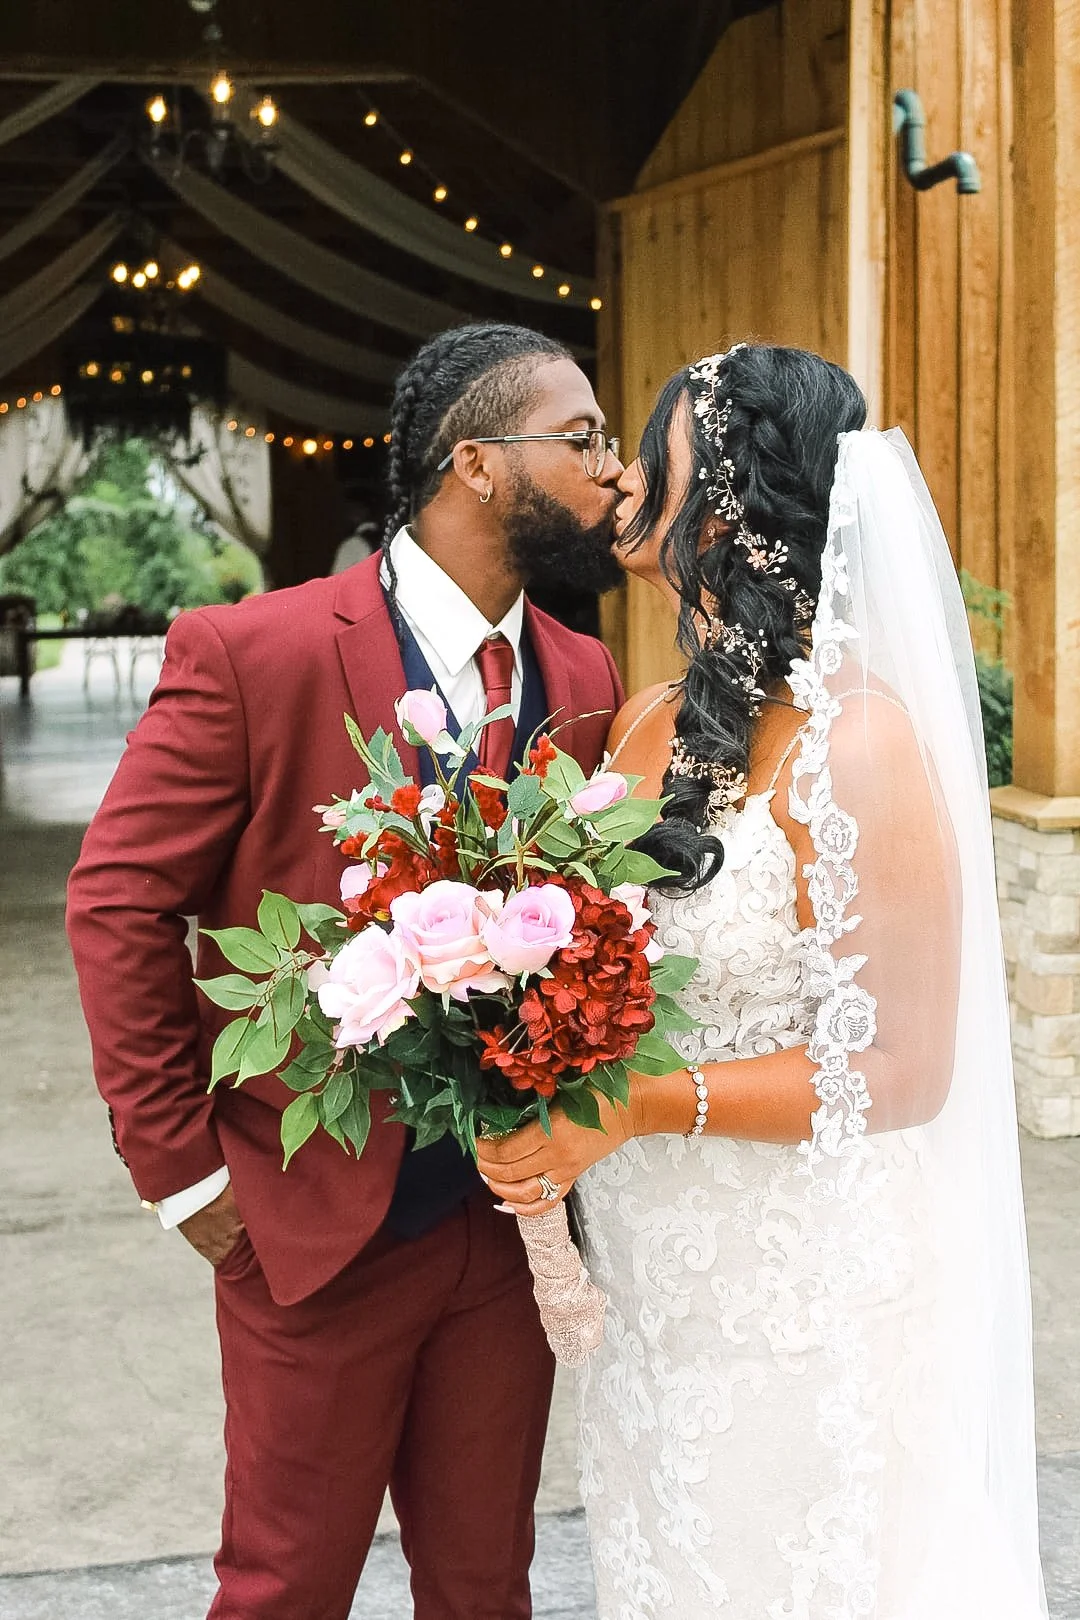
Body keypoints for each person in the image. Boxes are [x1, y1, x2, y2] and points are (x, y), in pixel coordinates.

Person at [478, 343, 1048, 1618]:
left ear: (732, 497)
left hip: (803, 1301)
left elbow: (901, 1072)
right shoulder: (641, 724)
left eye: (658, 451)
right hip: (656, 1287)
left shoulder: (862, 744)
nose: (623, 478)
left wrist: (634, 1105)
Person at [66, 321, 625, 1620]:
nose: (611, 470)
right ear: (476, 463)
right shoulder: (254, 652)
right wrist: (183, 1171)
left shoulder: (587, 673)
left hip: (505, 1227)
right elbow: (119, 899)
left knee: (487, 1584)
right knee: (284, 1588)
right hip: (309, 1223)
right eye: (584, 437)